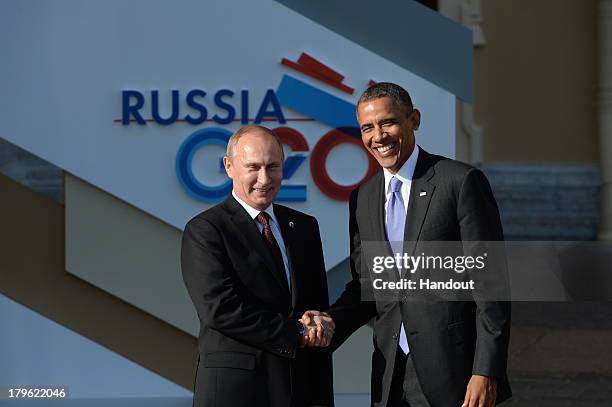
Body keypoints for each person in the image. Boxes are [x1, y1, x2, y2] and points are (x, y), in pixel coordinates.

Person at [304, 83, 511, 407]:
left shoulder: (459, 182)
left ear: (413, 119)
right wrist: (328, 323)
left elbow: (490, 283)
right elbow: (366, 287)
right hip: (389, 374)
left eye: (388, 122)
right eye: (367, 128)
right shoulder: (363, 197)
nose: (378, 136)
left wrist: (486, 370)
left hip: (456, 374)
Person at [181, 125, 334, 407]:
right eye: (253, 167)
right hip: (238, 391)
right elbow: (221, 310)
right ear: (229, 166)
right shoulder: (206, 230)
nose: (264, 179)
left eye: (273, 166)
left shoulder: (303, 227)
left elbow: (314, 304)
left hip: (301, 387)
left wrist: (321, 323)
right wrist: (296, 333)